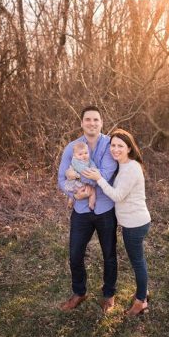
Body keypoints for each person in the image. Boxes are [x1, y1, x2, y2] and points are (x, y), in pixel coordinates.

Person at [83, 129, 152, 316]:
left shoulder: (131, 168)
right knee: (138, 260)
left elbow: (117, 195)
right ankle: (143, 291)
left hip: (135, 224)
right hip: (132, 222)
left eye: (120, 146)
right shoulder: (124, 165)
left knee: (137, 262)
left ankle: (141, 302)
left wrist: (99, 179)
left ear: (129, 148)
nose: (115, 149)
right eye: (112, 145)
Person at [57, 106, 119, 313]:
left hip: (105, 210)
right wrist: (74, 194)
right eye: (88, 120)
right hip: (81, 210)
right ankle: (79, 292)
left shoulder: (110, 145)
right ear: (81, 123)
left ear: (101, 122)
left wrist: (75, 176)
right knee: (75, 254)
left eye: (96, 120)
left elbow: (106, 174)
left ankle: (109, 295)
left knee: (109, 254)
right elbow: (61, 179)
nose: (92, 123)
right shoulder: (71, 147)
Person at [62, 142, 98, 210]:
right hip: (75, 181)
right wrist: (89, 171)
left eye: (86, 153)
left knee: (92, 191)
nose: (84, 156)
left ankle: (91, 204)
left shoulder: (89, 160)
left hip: (82, 181)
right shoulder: (75, 161)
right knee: (79, 191)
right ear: (74, 155)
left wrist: (94, 169)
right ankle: (71, 201)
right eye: (80, 154)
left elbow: (93, 165)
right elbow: (80, 169)